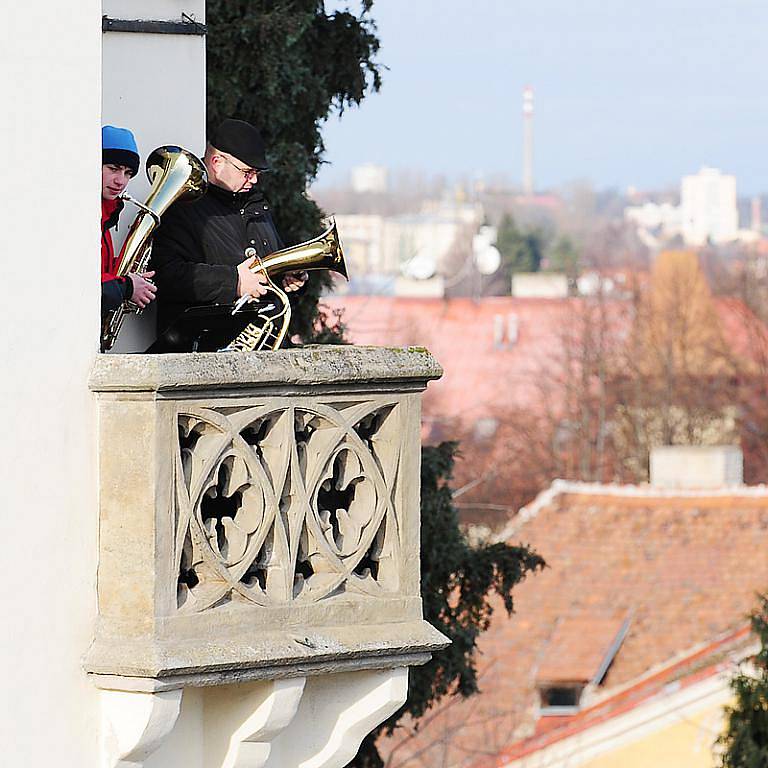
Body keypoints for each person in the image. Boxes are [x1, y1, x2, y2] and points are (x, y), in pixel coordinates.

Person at [151, 118, 305, 335]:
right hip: (205, 346)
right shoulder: (181, 206)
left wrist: (288, 278)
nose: (254, 181)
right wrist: (234, 281)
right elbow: (166, 274)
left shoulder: (256, 206)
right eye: (247, 172)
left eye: (257, 174)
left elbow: (269, 264)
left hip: (263, 343)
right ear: (216, 162)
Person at [101, 125, 157, 318]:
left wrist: (131, 275)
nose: (121, 181)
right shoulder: (79, 216)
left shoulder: (106, 216)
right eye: (113, 169)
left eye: (128, 173)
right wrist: (126, 286)